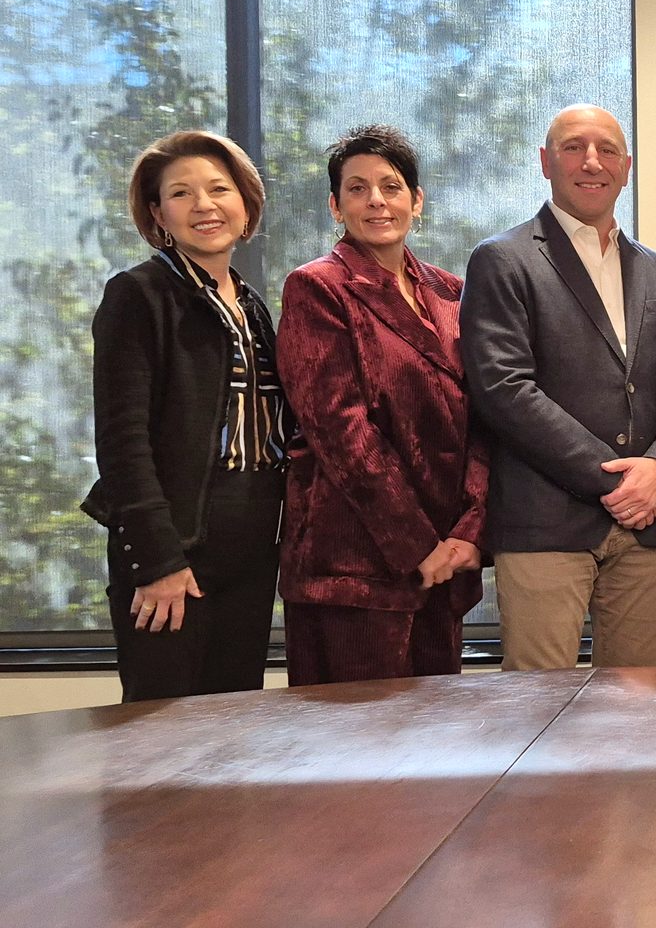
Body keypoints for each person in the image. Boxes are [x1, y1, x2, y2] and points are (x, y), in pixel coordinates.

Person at [459, 104, 656, 670]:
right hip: (547, 521)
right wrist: (616, 481)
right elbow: (504, 390)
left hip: (650, 524)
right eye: (573, 147)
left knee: (633, 713)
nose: (592, 161)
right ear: (546, 162)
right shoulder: (502, 259)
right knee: (539, 716)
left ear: (628, 167)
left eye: (608, 149)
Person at [82, 131, 293, 701]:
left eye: (219, 189)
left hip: (251, 548)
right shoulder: (138, 295)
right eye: (181, 193)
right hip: (174, 547)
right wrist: (158, 561)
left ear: (246, 202)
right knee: (162, 736)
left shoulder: (250, 303)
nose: (204, 205)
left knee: (231, 731)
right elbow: (123, 444)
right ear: (158, 213)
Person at [276, 125, 488, 684]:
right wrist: (418, 546)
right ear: (335, 205)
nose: (376, 200)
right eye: (357, 188)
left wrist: (469, 530)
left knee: (437, 752)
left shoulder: (451, 292)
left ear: (417, 202)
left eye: (391, 186)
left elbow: (484, 419)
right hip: (355, 565)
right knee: (354, 755)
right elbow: (340, 431)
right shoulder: (317, 288)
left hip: (444, 562)